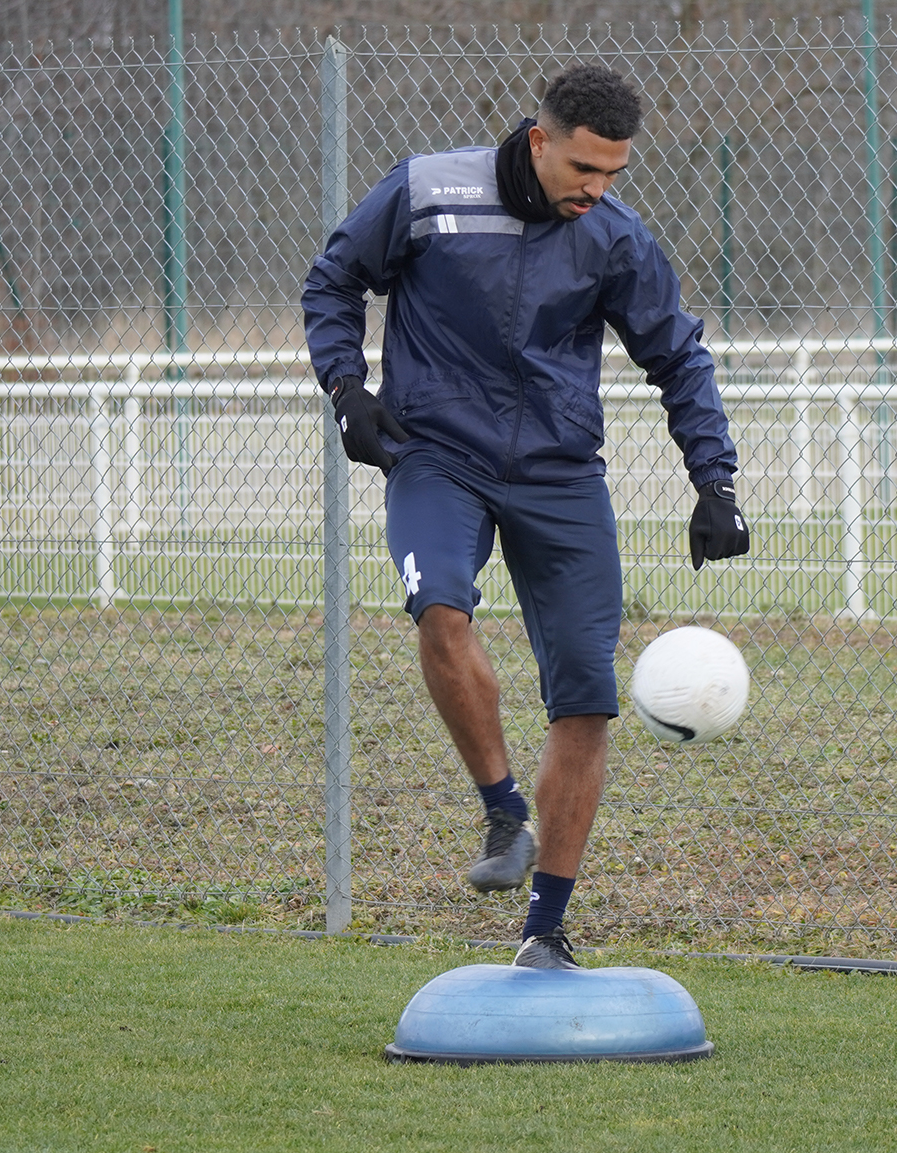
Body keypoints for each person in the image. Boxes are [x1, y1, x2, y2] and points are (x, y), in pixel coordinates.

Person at [301, 65, 749, 970]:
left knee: (584, 696)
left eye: (615, 173)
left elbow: (678, 357)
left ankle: (546, 931)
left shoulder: (614, 237)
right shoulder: (429, 192)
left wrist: (716, 481)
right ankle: (504, 812)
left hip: (559, 473)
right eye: (585, 168)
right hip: (438, 455)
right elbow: (334, 281)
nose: (599, 189)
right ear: (540, 141)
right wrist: (347, 391)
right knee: (442, 612)